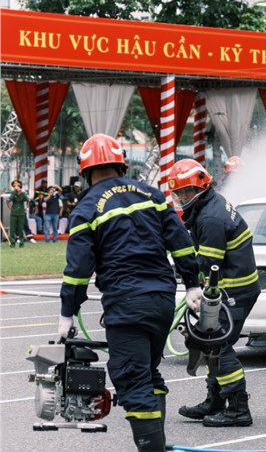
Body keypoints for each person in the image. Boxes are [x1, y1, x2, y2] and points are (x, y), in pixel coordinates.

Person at [58, 133, 201, 451]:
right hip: (162, 300)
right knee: (148, 374)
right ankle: (158, 443)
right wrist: (192, 284)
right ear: (121, 165)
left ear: (86, 171)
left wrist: (67, 312)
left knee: (131, 378)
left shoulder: (85, 209)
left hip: (127, 304)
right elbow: (181, 243)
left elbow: (79, 269)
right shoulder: (152, 194)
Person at [168, 158, 260, 428]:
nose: (181, 198)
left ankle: (238, 408)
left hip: (234, 289)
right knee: (212, 344)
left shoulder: (210, 218)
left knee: (216, 344)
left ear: (199, 188)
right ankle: (216, 400)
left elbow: (206, 265)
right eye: (178, 193)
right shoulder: (209, 205)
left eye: (184, 192)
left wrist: (178, 269)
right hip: (234, 286)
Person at [6, 180, 30, 248]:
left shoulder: (23, 193)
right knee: (12, 229)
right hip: (14, 213)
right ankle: (12, 243)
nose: (15, 187)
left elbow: (28, 200)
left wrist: (27, 208)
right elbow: (8, 201)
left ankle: (21, 243)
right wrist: (10, 208)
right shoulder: (13, 193)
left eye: (17, 186)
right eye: (14, 186)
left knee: (20, 228)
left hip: (21, 213)